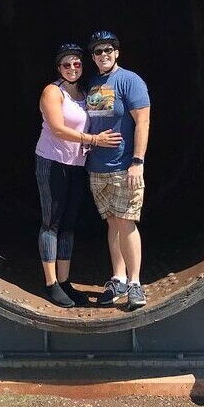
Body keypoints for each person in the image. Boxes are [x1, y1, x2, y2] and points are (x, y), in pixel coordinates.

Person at [35, 42, 122, 307]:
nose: (72, 68)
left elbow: (108, 116)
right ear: (59, 67)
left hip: (76, 165)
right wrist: (93, 139)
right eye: (66, 64)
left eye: (77, 64)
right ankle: (50, 284)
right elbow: (58, 129)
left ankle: (64, 281)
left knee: (69, 225)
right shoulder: (53, 92)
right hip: (52, 162)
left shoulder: (87, 92)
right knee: (52, 222)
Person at [84, 30, 151, 310]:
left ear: (117, 53)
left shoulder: (130, 80)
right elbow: (96, 122)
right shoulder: (95, 84)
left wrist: (137, 161)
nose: (103, 55)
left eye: (108, 50)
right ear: (93, 57)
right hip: (97, 168)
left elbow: (143, 122)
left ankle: (135, 283)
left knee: (127, 223)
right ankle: (118, 277)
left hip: (124, 167)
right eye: (98, 52)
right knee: (113, 222)